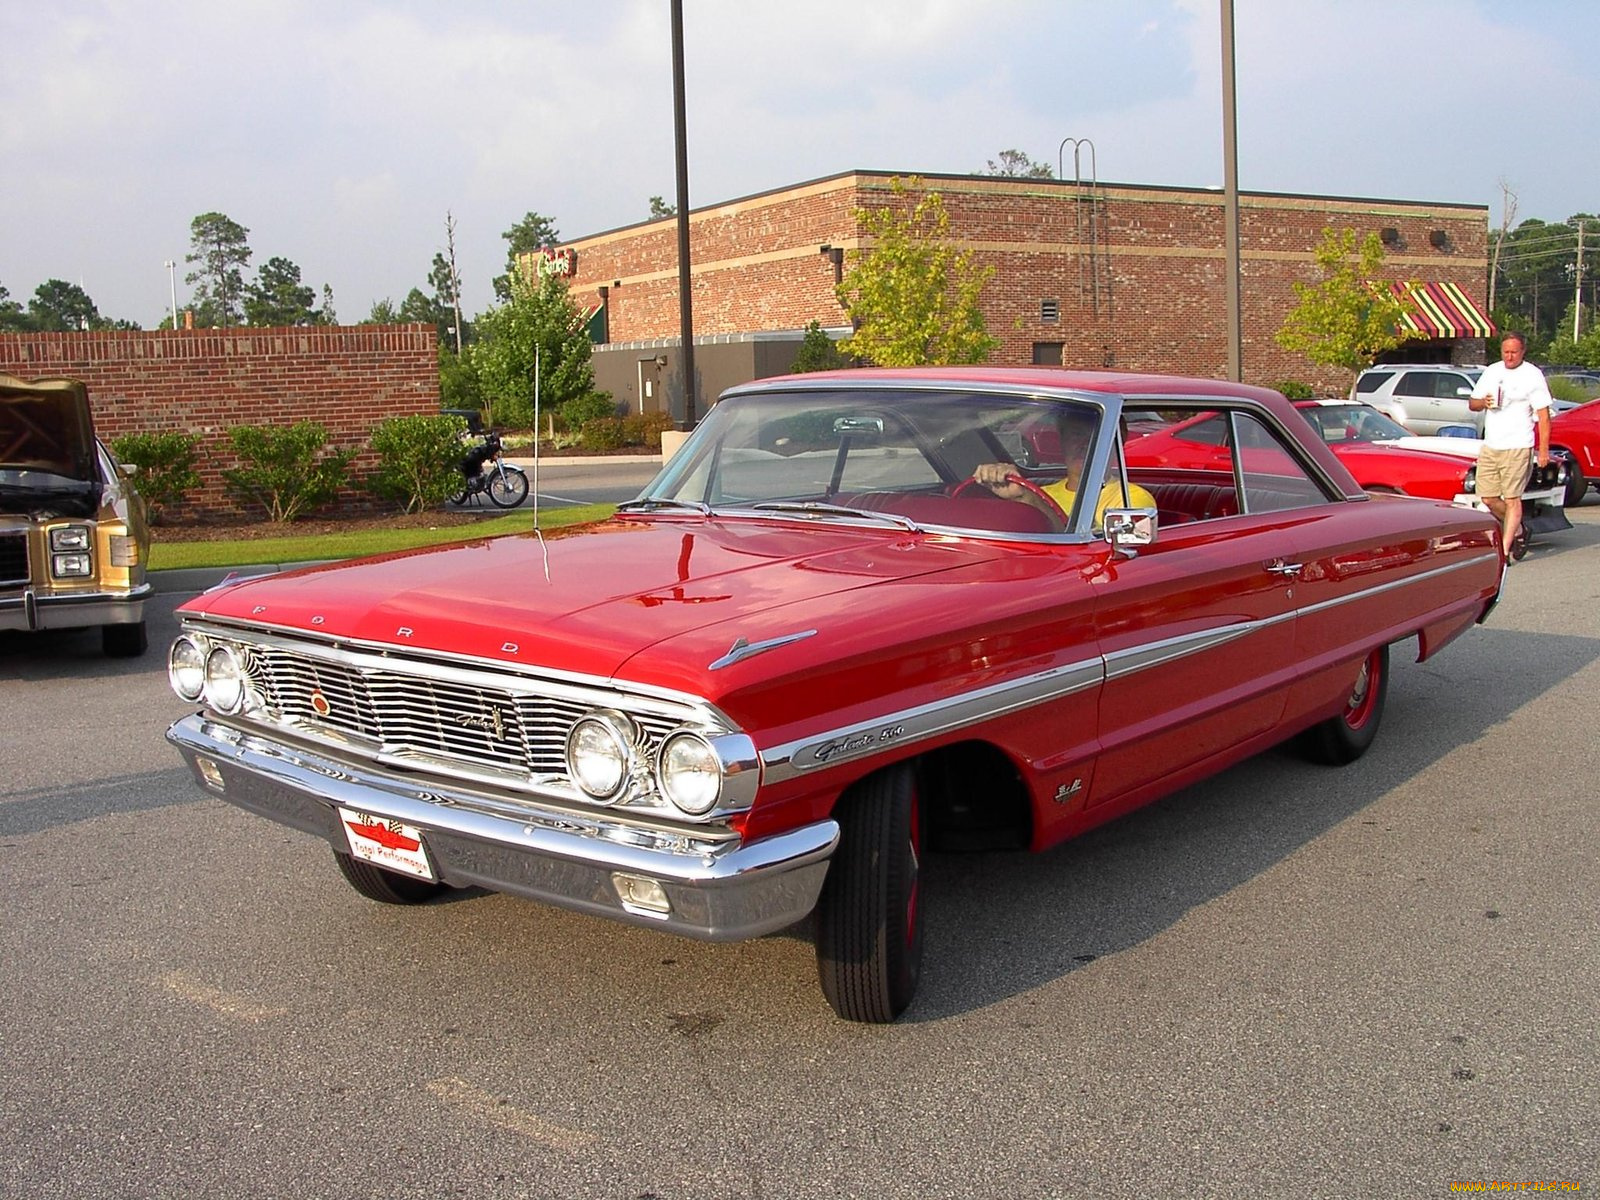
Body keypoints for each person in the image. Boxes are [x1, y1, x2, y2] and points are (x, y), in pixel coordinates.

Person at [974, 414, 1156, 531]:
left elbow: (1090, 554)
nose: (1084, 444)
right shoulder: (1043, 493)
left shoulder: (1131, 499)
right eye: (1076, 435)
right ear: (1062, 441)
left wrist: (1026, 497)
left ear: (1117, 441)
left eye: (1094, 436)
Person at [1467, 332, 1552, 560]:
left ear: (1522, 352)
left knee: (1513, 498)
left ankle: (1504, 551)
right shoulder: (1492, 371)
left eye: (1514, 352)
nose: (1509, 356)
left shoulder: (1532, 375)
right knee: (1488, 498)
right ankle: (1520, 529)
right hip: (1492, 444)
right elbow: (1472, 403)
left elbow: (1544, 416)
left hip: (1518, 444)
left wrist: (1543, 450)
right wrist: (1483, 402)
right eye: (1506, 352)